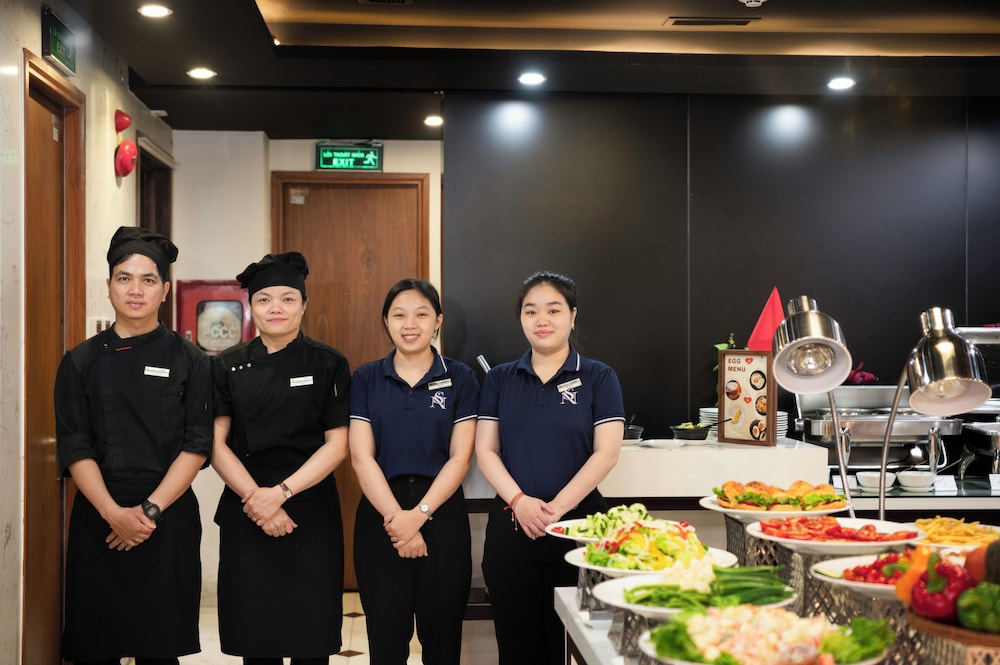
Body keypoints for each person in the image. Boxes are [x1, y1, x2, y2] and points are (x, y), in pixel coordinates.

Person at [55, 226, 212, 665]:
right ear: (108, 286)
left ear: (165, 290)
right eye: (124, 278)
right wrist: (113, 514)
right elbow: (75, 445)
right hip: (99, 519)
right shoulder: (79, 361)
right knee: (95, 647)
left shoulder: (192, 360)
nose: (135, 290)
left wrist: (149, 513)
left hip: (167, 519)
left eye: (148, 280)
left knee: (159, 650)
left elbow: (197, 444)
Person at [476, 270, 625, 665]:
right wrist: (520, 501)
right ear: (521, 319)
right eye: (531, 311)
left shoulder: (598, 376)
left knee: (575, 644)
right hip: (512, 525)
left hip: (579, 529)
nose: (542, 320)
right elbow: (485, 450)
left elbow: (606, 453)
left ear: (573, 316)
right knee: (516, 646)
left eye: (553, 310)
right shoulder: (499, 379)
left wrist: (555, 510)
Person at [210, 252, 351, 665]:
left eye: (288, 299)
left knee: (311, 637)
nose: (276, 308)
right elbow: (216, 444)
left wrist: (281, 493)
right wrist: (258, 500)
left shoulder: (329, 363)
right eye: (265, 299)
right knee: (257, 638)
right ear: (251, 306)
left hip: (310, 510)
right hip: (247, 508)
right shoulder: (227, 366)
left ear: (304, 305)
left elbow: (337, 444)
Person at [349, 279, 479, 665]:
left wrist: (419, 516)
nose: (410, 324)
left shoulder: (461, 377)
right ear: (385, 322)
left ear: (438, 321)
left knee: (442, 643)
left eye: (422, 314)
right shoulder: (367, 378)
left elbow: (460, 457)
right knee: (386, 643)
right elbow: (361, 457)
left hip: (441, 514)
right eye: (399, 315)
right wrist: (398, 521)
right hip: (381, 516)